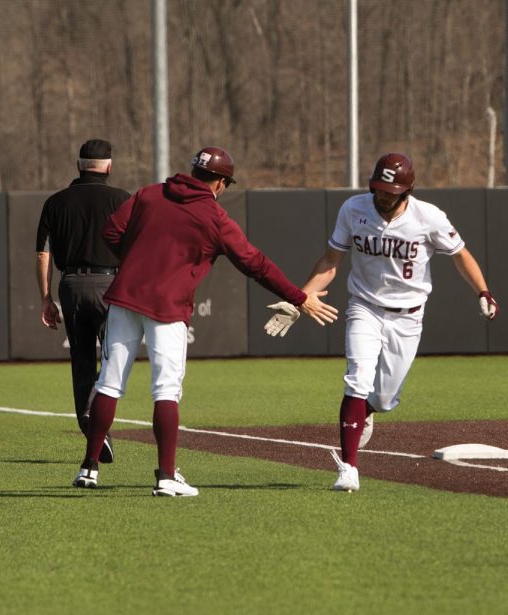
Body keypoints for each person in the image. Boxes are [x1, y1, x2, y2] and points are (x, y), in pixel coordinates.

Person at [72, 146, 338, 497]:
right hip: (167, 309)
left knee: (109, 382)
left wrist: (136, 259)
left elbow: (111, 231)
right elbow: (255, 263)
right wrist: (299, 297)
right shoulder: (214, 217)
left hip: (125, 298)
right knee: (165, 389)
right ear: (221, 183)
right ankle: (166, 476)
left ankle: (89, 468)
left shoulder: (149, 194)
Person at [267, 153, 499, 492]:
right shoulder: (353, 209)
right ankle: (349, 468)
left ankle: (370, 409)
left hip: (408, 315)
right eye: (379, 188)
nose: (383, 196)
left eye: (390, 190)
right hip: (364, 306)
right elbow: (332, 261)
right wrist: (299, 297)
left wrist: (483, 290)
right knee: (357, 378)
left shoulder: (428, 217)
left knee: (387, 397)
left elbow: (460, 255)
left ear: (406, 190)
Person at [36, 139, 130, 463]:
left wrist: (46, 297)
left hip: (73, 285)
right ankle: (100, 426)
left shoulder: (56, 202)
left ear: (78, 165)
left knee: (82, 362)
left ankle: (91, 425)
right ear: (109, 166)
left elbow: (43, 253)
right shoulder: (122, 199)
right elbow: (136, 248)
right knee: (113, 360)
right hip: (111, 285)